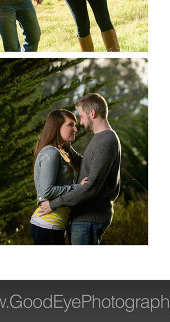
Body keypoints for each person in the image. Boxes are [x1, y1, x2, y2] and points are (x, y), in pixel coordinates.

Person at [38, 93, 122, 245]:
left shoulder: (105, 141)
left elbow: (91, 187)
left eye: (81, 117)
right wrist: (65, 144)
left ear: (92, 113)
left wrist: (54, 203)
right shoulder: (101, 139)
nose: (81, 123)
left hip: (89, 219)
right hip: (83, 219)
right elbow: (87, 166)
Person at [29, 109, 88, 245]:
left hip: (54, 226)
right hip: (47, 225)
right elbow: (46, 191)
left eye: (75, 124)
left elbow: (82, 163)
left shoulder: (59, 151)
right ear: (57, 127)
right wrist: (78, 187)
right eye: (70, 125)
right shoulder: (51, 152)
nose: (75, 129)